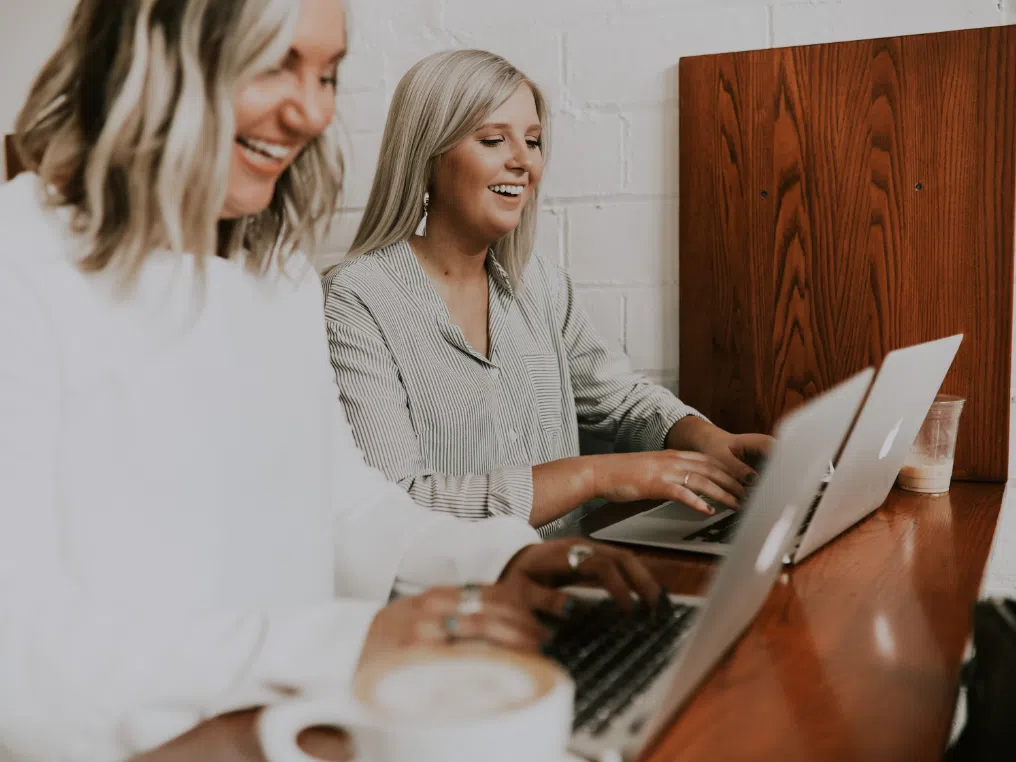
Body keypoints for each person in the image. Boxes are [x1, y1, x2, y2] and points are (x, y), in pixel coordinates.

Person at [0, 3, 660, 759]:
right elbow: (16, 649)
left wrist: (498, 560)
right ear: (152, 51)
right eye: (274, 63)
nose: (311, 110)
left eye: (328, 73)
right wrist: (344, 644)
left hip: (301, 729)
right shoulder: (18, 269)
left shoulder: (276, 279)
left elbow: (343, 503)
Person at [323, 49, 773, 534]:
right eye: (494, 139)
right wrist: (594, 476)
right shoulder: (354, 301)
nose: (523, 162)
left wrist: (705, 438)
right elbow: (398, 506)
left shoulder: (540, 286)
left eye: (533, 142)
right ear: (427, 156)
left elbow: (618, 399)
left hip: (566, 582)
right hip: (455, 601)